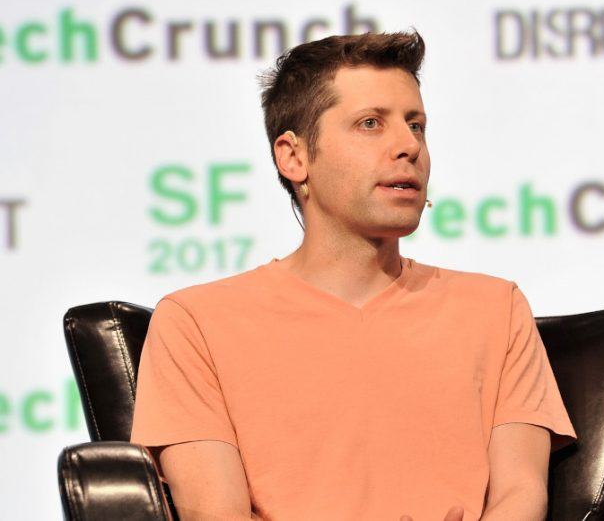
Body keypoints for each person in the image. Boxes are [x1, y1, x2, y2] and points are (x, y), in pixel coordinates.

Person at [130, 30, 577, 521]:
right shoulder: (197, 323)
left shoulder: (496, 308)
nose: (408, 146)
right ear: (294, 157)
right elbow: (217, 514)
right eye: (370, 124)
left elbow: (521, 495)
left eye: (417, 125)